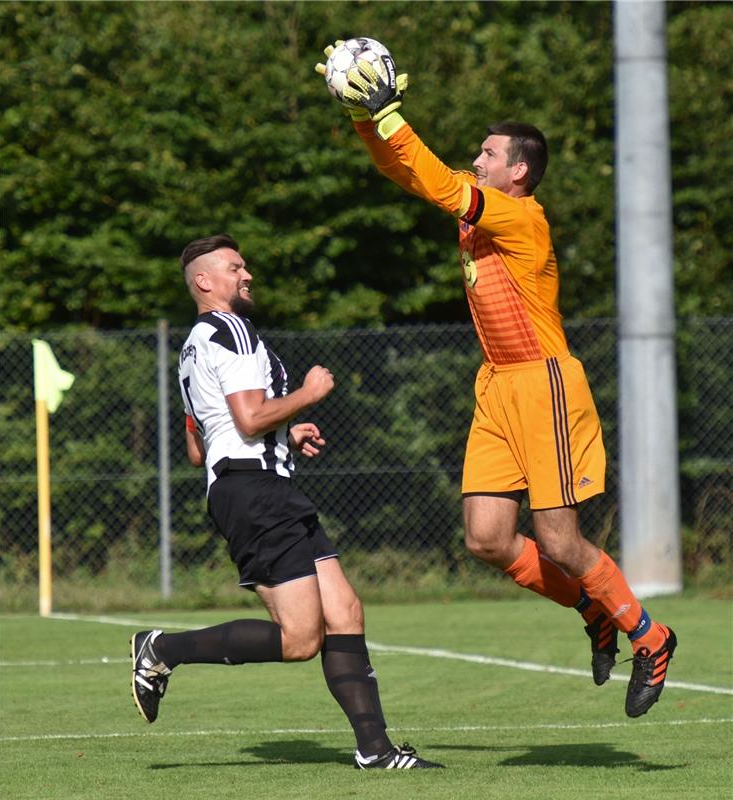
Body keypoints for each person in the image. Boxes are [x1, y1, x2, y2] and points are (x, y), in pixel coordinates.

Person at [315, 44, 677, 718]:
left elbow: (440, 182)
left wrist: (387, 110)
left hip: (544, 383)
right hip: (498, 385)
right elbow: (413, 174)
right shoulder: (486, 201)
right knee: (485, 536)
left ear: (518, 170)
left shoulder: (518, 213)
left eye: (487, 154)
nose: (475, 161)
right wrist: (368, 122)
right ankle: (593, 610)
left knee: (562, 540)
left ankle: (650, 637)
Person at [130, 233, 442, 770]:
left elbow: (199, 444)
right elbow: (249, 419)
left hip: (262, 488)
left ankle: (376, 749)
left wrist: (286, 436)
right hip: (255, 495)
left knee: (345, 610)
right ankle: (161, 650)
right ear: (204, 281)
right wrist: (309, 393)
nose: (246, 275)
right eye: (235, 267)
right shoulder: (230, 329)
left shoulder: (192, 346)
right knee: (300, 639)